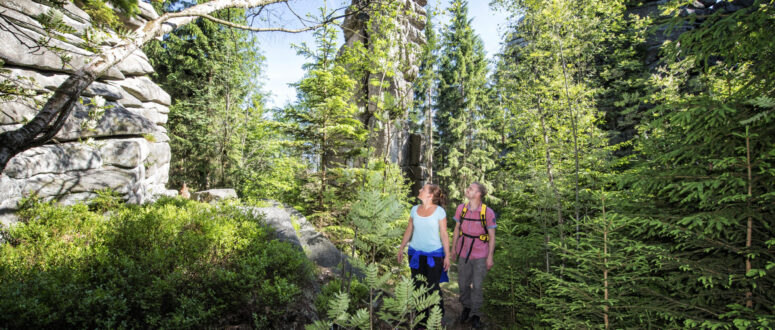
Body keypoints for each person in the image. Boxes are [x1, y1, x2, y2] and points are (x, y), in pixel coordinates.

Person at [397, 183, 451, 326]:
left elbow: (444, 235)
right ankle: (420, 321)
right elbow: (409, 229)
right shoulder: (414, 209)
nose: (420, 190)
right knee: (418, 286)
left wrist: (447, 256)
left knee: (432, 287)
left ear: (430, 195)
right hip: (415, 254)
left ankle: (436, 317)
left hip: (434, 255)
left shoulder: (440, 211)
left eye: (423, 189)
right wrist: (402, 247)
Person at [452, 182, 496, 328]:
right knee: (463, 283)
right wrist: (453, 250)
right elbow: (457, 229)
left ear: (478, 194)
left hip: (481, 254)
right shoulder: (461, 209)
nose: (467, 190)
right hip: (463, 252)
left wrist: (490, 256)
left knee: (478, 285)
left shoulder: (487, 212)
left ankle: (476, 314)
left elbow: (492, 236)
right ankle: (467, 307)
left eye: (471, 189)